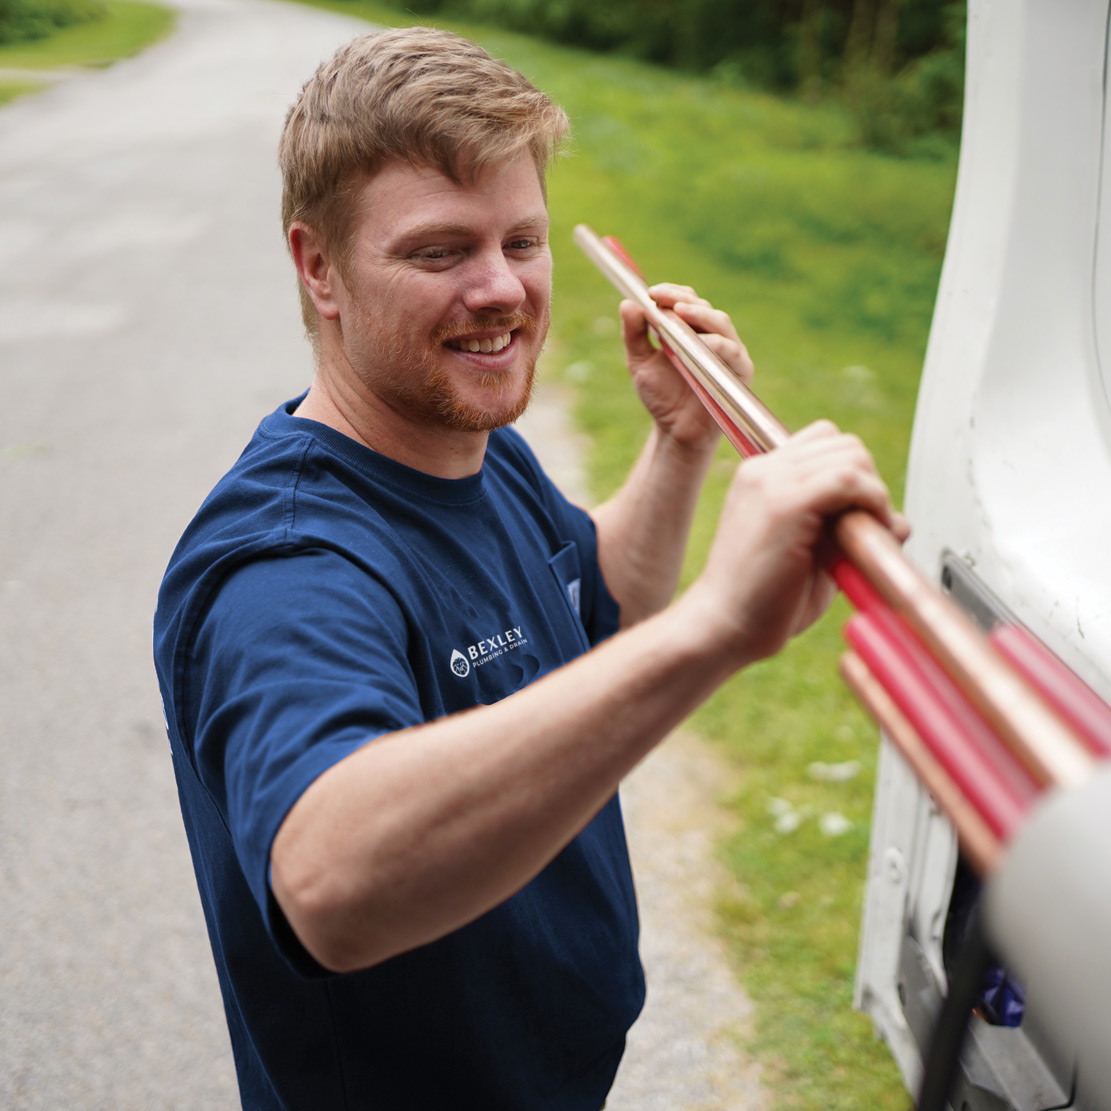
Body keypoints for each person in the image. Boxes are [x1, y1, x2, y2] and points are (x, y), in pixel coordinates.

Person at [154, 26, 906, 1111]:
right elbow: (327, 882)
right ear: (318, 266)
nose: (501, 290)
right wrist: (715, 628)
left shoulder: (473, 446)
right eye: (439, 252)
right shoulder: (287, 561)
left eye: (523, 240)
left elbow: (593, 603)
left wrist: (680, 440)